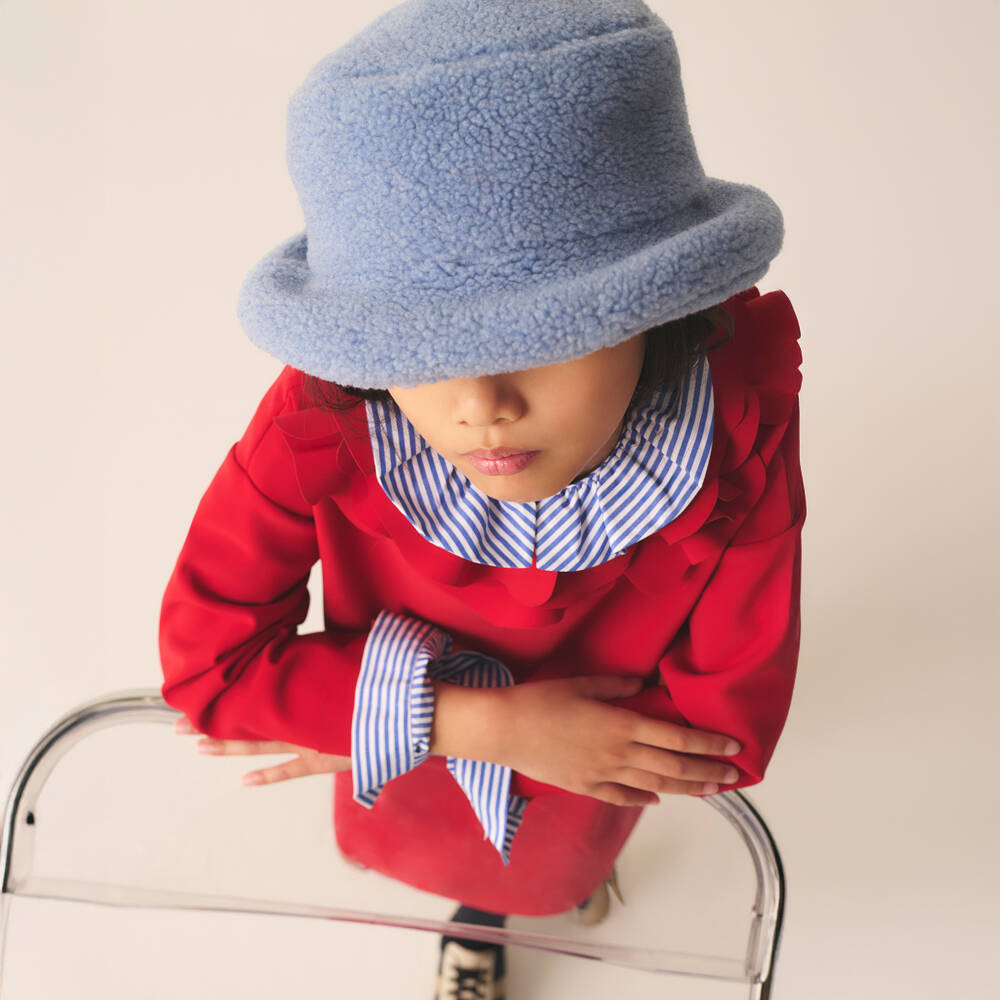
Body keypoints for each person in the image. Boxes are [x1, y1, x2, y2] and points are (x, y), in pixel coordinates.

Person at [159, 1, 806, 997]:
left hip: (573, 771)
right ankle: (475, 910)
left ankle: (500, 912)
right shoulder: (325, 423)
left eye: (544, 334)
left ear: (654, 305)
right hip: (418, 760)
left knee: (547, 865)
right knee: (430, 850)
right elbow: (207, 671)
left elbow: (721, 730)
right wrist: (473, 725)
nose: (481, 407)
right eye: (420, 353)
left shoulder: (727, 440)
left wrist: (358, 708)